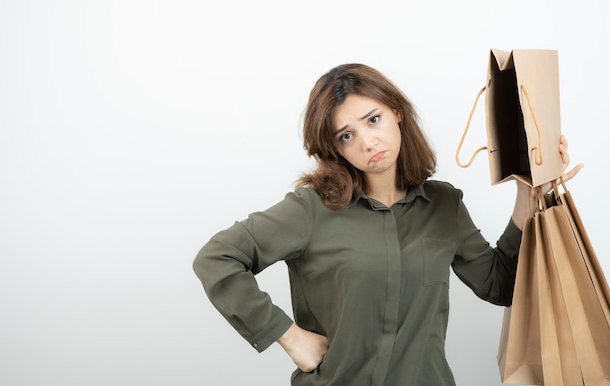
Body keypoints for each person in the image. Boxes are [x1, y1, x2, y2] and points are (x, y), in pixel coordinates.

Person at [192, 63, 582, 386]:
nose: (367, 142)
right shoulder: (310, 209)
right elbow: (217, 257)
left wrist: (528, 194)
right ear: (335, 148)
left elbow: (501, 285)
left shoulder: (444, 205)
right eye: (347, 135)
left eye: (373, 119)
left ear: (396, 111)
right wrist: (288, 336)